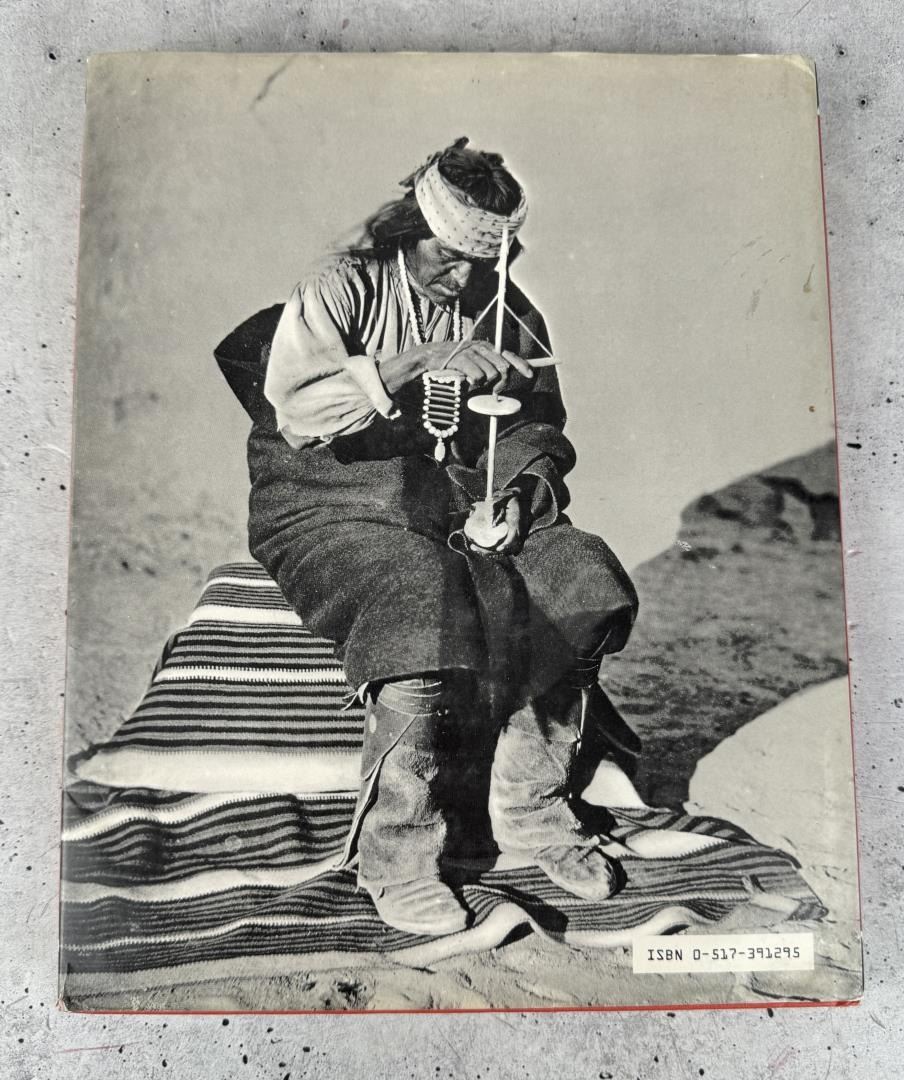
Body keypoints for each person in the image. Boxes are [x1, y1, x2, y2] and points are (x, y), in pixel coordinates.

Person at [214, 139, 640, 937]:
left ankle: (532, 808)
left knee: (583, 578)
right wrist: (422, 359)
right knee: (420, 605)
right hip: (332, 497)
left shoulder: (502, 304)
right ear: (408, 229)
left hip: (458, 498)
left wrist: (516, 494)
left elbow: (537, 424)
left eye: (479, 264)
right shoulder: (341, 287)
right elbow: (298, 413)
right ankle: (398, 858)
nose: (462, 278)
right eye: (447, 258)